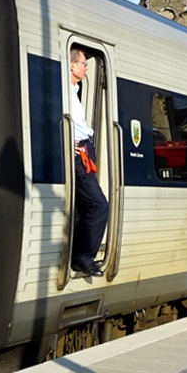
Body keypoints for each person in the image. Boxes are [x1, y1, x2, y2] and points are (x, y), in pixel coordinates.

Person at [69, 47, 109, 277]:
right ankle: (84, 257)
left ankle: (76, 254)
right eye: (83, 63)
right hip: (78, 152)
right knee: (99, 205)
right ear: (72, 66)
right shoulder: (64, 91)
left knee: (82, 208)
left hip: (84, 150)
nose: (86, 67)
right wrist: (66, 143)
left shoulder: (74, 90)